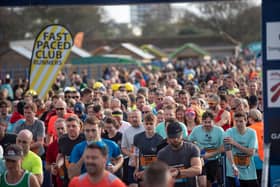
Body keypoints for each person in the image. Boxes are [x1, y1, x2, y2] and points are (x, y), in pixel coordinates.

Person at [157, 121, 202, 187]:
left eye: (178, 136)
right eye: (172, 137)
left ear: (182, 134)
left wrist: (178, 172)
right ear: (168, 137)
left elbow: (198, 169)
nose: (175, 139)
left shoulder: (192, 148)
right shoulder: (162, 153)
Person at [189, 111, 225, 187]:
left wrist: (210, 154)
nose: (207, 124)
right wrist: (198, 150)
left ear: (214, 122)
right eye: (205, 122)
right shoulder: (196, 130)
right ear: (202, 122)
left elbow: (224, 147)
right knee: (202, 184)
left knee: (210, 183)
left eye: (209, 122)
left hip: (214, 160)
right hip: (201, 159)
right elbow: (189, 142)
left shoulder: (219, 131)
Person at [224, 112, 258, 187]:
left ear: (246, 121)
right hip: (233, 173)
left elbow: (251, 152)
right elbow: (228, 151)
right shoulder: (229, 132)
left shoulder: (252, 133)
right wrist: (233, 166)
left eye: (241, 121)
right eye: (236, 121)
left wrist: (235, 143)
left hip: (249, 174)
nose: (238, 124)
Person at [133, 113, 163, 181]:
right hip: (141, 171)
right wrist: (136, 168)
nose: (148, 126)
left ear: (155, 124)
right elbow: (136, 154)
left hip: (155, 171)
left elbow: (161, 158)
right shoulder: (137, 137)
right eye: (146, 124)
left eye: (151, 123)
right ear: (143, 124)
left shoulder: (160, 139)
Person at [57, 116, 85, 187]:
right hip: (68, 177)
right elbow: (61, 155)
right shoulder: (62, 139)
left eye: (74, 126)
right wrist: (58, 165)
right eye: (68, 126)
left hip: (84, 176)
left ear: (79, 127)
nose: (71, 128)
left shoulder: (85, 139)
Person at [45, 118, 67, 187]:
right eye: (58, 129)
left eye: (62, 128)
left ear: (66, 129)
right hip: (58, 182)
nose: (60, 131)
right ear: (54, 130)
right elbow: (47, 165)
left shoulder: (73, 143)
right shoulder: (51, 146)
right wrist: (51, 167)